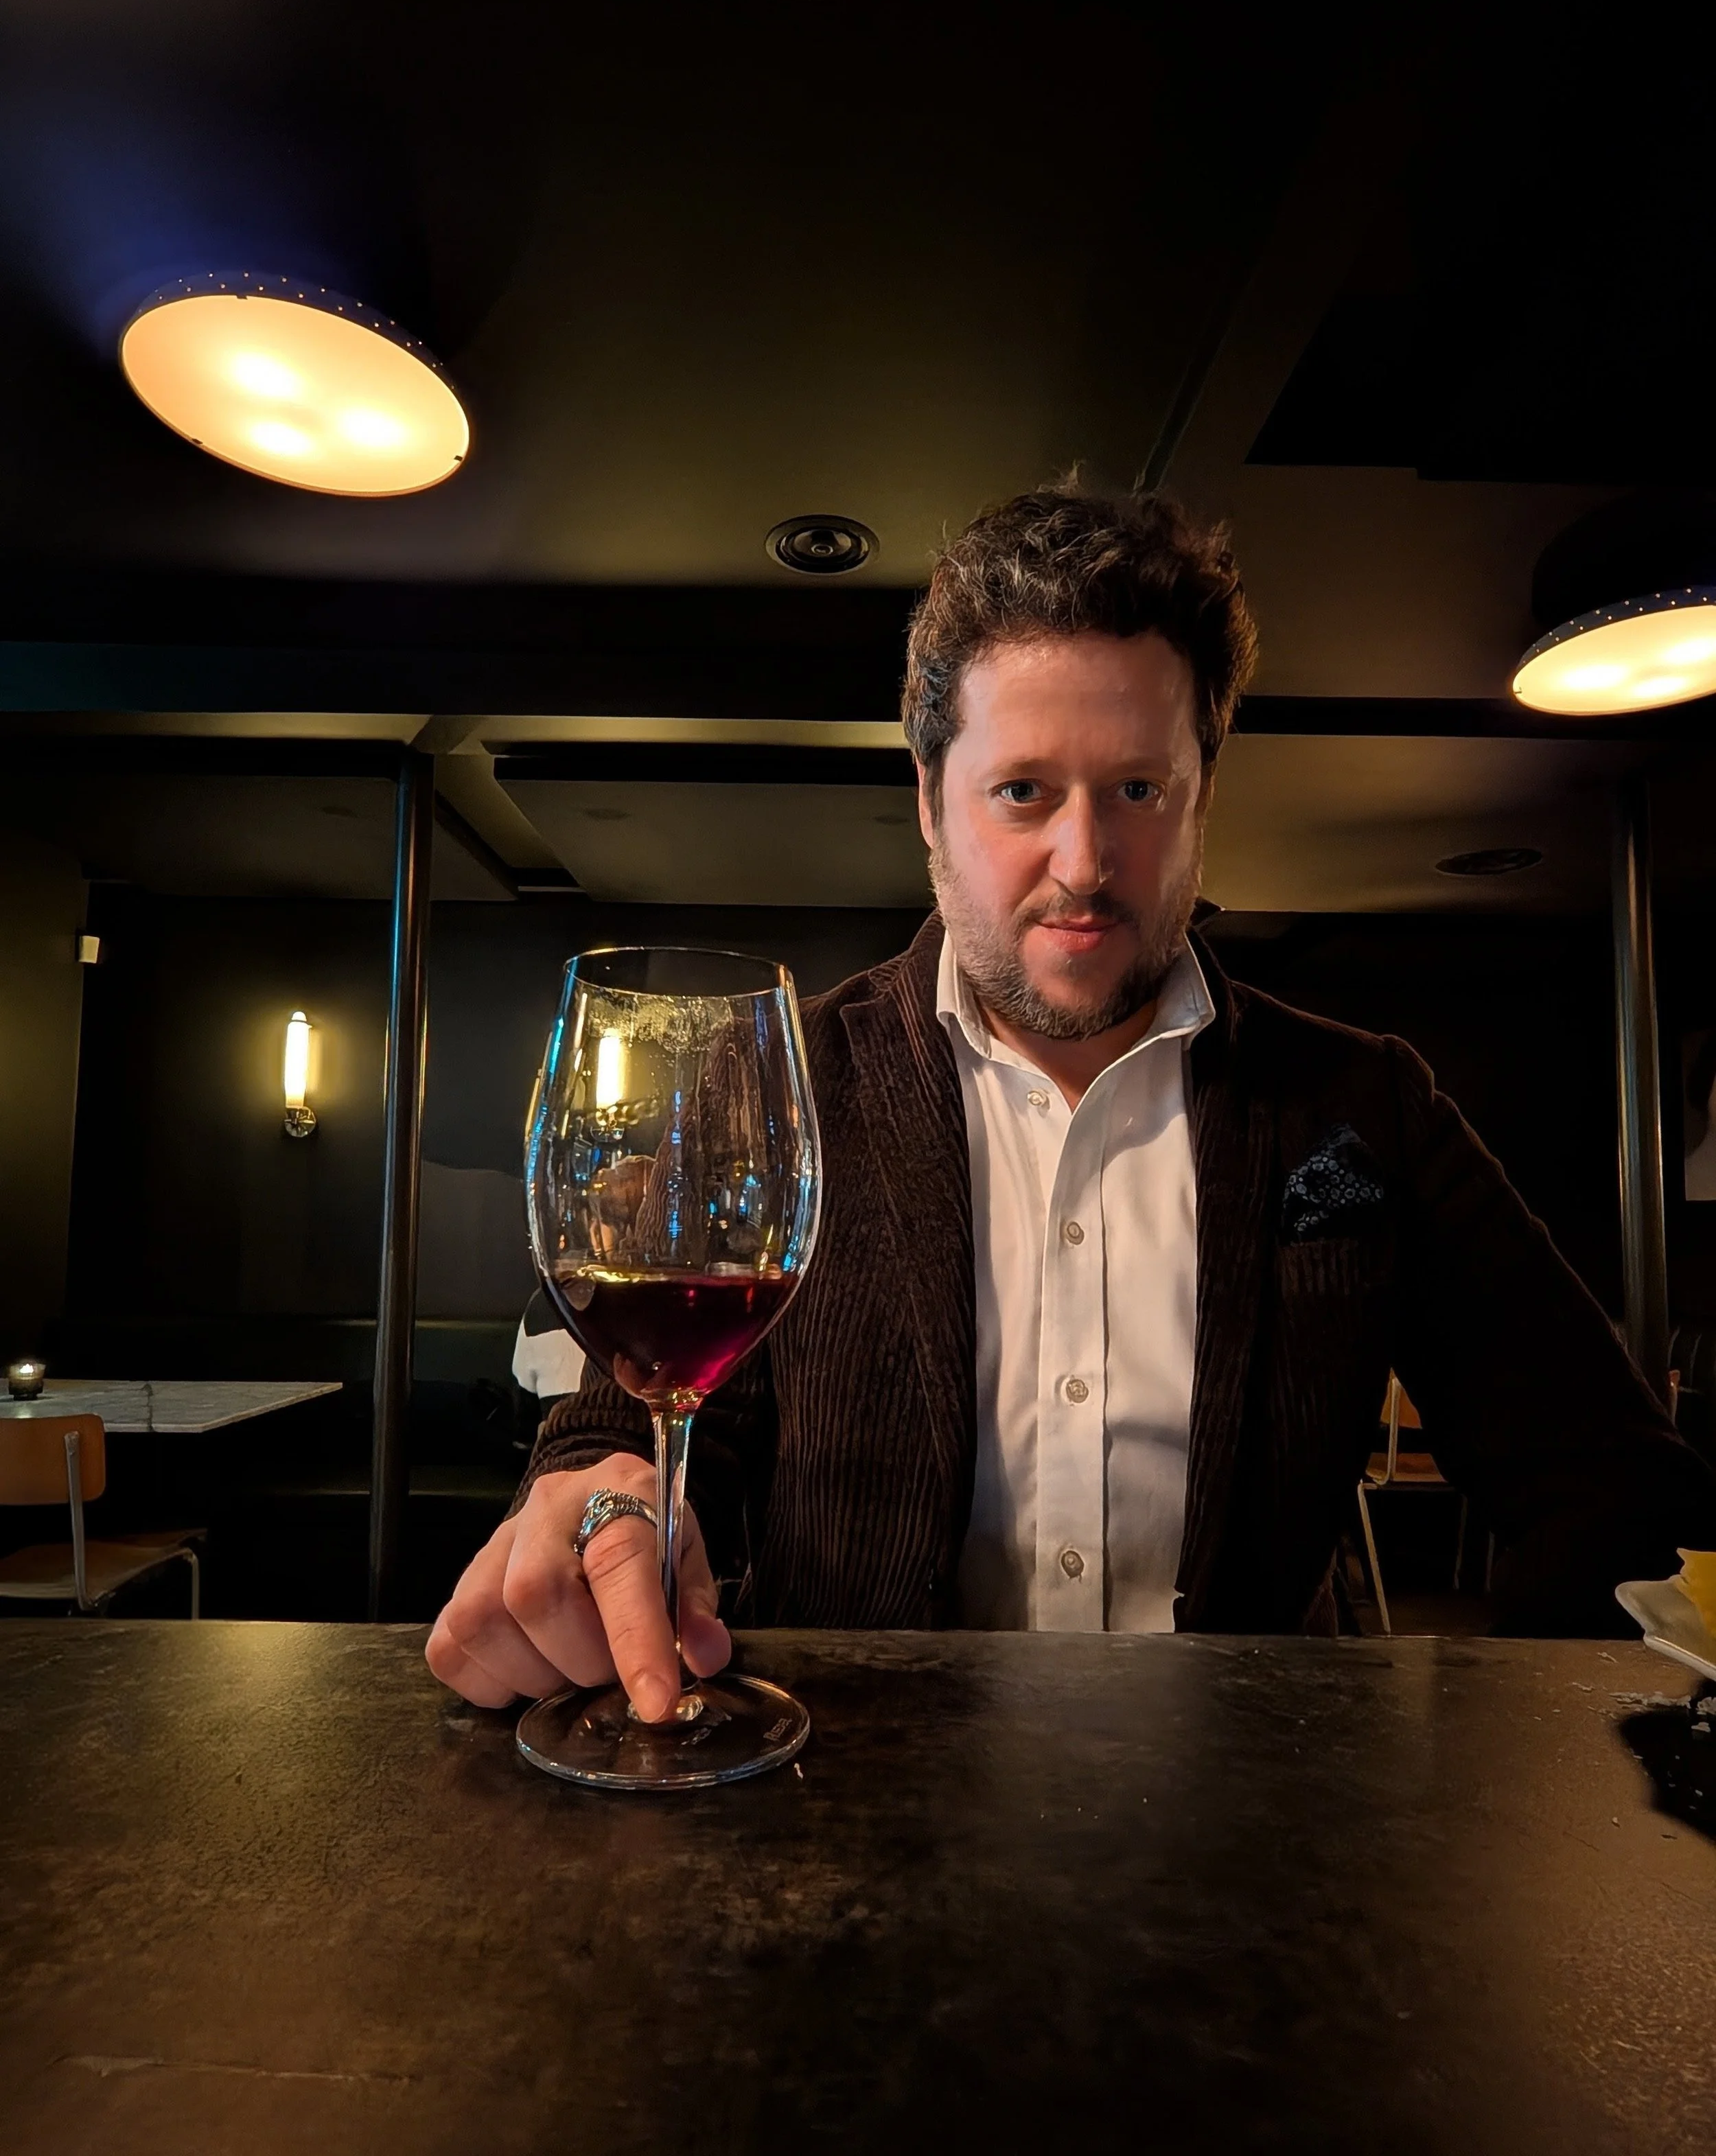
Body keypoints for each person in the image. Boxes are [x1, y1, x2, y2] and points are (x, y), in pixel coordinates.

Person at [427, 485, 1715, 1717]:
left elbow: (1615, 1487)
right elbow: (620, 1431)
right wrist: (600, 1505)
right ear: (930, 804)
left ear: (1204, 796)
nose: (1087, 862)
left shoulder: (1363, 1100)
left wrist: (1469, 1766)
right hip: (855, 1807)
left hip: (1257, 1826)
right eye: (1023, 791)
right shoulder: (777, 1081)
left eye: (1139, 790)